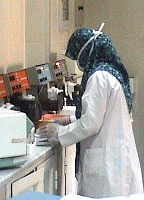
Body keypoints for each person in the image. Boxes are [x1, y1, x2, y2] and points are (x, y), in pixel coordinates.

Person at [37, 24, 143, 198]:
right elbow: (98, 114)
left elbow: (90, 124)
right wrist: (69, 120)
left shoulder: (98, 78)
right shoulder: (110, 71)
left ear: (85, 53)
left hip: (106, 162)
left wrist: (60, 133)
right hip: (115, 156)